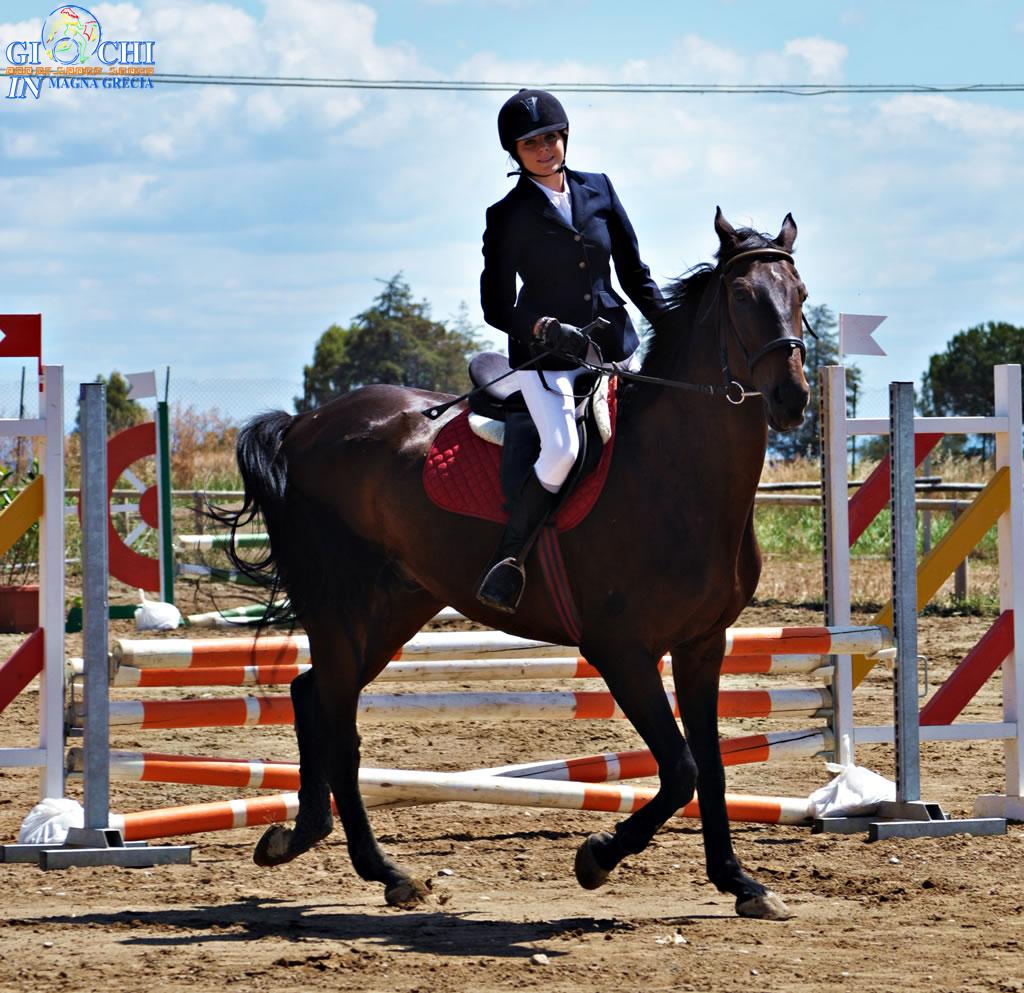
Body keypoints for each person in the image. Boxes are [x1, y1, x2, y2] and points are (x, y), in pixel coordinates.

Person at [477, 88, 668, 613]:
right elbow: (495, 304)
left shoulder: (599, 189)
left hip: (614, 347)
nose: (543, 148)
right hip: (549, 360)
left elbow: (632, 272)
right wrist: (540, 327)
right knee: (562, 450)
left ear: (565, 137)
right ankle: (510, 559)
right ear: (514, 152)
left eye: (550, 137)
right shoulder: (507, 214)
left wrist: (668, 322)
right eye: (530, 142)